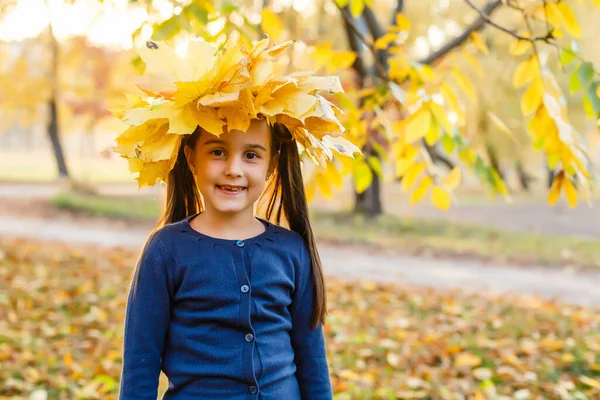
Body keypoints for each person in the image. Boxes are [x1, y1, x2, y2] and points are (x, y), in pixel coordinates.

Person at [109, 34, 360, 400]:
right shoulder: (167, 250)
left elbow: (312, 363)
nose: (233, 169)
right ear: (192, 158)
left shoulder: (291, 250)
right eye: (217, 151)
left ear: (272, 165)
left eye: (252, 155)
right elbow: (140, 368)